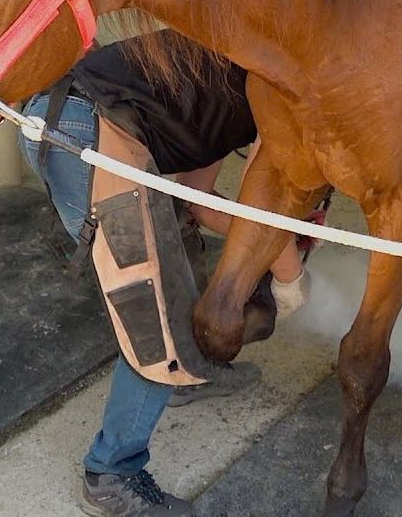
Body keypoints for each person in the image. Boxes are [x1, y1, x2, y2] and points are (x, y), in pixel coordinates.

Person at [18, 30, 311, 516]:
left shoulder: (231, 59)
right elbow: (268, 211)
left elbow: (197, 199)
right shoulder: (280, 88)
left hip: (59, 121)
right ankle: (111, 473)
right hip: (89, 131)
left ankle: (191, 371)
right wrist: (291, 277)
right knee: (154, 312)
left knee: (173, 249)